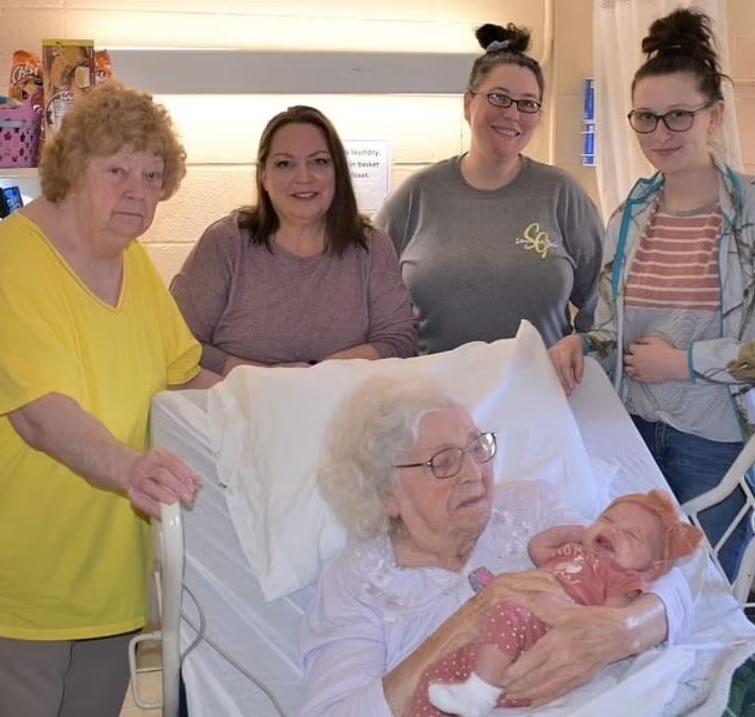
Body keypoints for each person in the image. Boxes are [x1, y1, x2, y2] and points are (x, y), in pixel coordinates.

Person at [0, 81, 220, 717]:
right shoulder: (8, 261)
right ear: (69, 167)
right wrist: (132, 469)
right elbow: (40, 416)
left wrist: (272, 405)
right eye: (116, 169)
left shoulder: (134, 264)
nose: (137, 191)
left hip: (111, 586)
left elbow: (185, 375)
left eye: (152, 174)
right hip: (19, 591)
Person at [299, 375, 695, 716]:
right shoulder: (356, 581)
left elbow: (663, 576)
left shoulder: (529, 507)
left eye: (477, 447)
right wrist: (470, 618)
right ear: (389, 494)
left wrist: (622, 629)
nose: (474, 473)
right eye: (443, 462)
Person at [549, 8, 755, 581]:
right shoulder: (629, 216)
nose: (660, 134)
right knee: (632, 582)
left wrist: (682, 363)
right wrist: (581, 344)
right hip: (631, 428)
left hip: (715, 439)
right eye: (646, 118)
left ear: (714, 116)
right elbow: (615, 330)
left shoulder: (749, 218)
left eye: (678, 117)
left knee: (710, 586)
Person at [375, 22, 603, 354]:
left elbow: (604, 302)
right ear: (469, 104)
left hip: (539, 395)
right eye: (499, 98)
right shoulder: (414, 197)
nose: (512, 114)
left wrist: (582, 349)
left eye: (528, 103)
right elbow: (369, 306)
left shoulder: (562, 195)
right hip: (435, 397)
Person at [170, 105, 416, 373]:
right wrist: (264, 378)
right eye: (285, 164)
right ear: (264, 176)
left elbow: (400, 342)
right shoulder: (225, 243)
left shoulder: (371, 246)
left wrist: (318, 375)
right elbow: (177, 343)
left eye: (318, 161)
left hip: (346, 409)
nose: (303, 177)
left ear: (338, 172)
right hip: (242, 409)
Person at [424, 490, 702, 717]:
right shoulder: (574, 551)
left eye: (631, 535)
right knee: (434, 678)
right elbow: (538, 547)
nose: (613, 531)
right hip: (514, 620)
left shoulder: (623, 577)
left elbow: (604, 622)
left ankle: (480, 694)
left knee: (507, 609)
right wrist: (578, 533)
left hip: (545, 631)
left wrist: (567, 612)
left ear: (652, 569)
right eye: (607, 519)